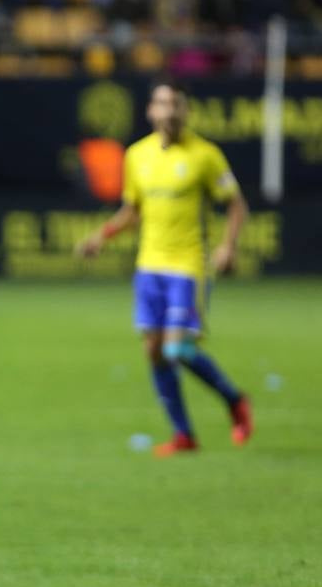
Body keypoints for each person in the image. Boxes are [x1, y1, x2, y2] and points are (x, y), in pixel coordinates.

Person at [77, 77, 253, 457]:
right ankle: (183, 435)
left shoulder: (205, 155)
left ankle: (235, 400)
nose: (170, 111)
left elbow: (236, 204)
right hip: (149, 267)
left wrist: (227, 246)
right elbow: (133, 210)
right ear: (150, 111)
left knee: (178, 351)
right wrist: (101, 236)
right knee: (154, 352)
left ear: (186, 110)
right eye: (163, 104)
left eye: (176, 104)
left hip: (188, 266)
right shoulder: (137, 155)